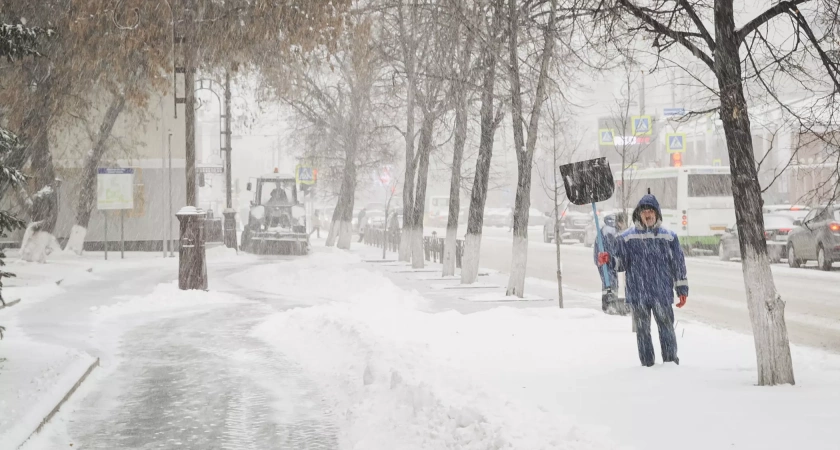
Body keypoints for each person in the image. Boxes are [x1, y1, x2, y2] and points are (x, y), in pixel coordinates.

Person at [597, 194, 688, 367]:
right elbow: (621, 264)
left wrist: (682, 290)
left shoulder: (669, 237)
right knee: (642, 331)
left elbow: (678, 265)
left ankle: (670, 363)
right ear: (638, 214)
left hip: (661, 293)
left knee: (666, 329)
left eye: (651, 210)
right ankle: (647, 365)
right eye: (645, 211)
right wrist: (608, 259)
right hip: (638, 294)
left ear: (657, 214)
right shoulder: (627, 238)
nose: (648, 214)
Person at [592, 212, 627, 312]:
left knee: (608, 283)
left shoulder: (607, 229)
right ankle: (610, 305)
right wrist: (616, 260)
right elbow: (612, 249)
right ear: (620, 222)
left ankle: (609, 303)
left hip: (604, 261)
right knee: (610, 283)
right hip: (606, 262)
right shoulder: (610, 231)